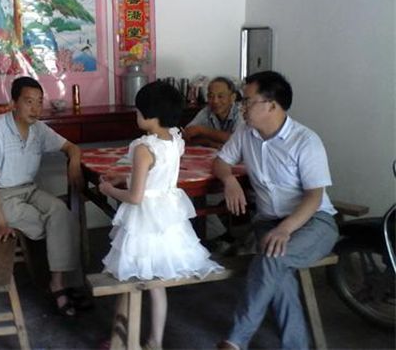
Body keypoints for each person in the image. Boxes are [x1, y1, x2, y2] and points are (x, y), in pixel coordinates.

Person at [213, 71, 338, 350]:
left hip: (313, 222)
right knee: (277, 271)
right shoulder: (245, 133)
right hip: (268, 223)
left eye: (247, 101)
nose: (241, 107)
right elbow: (220, 161)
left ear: (271, 105)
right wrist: (229, 179)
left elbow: (314, 197)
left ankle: (235, 340)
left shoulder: (305, 141)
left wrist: (285, 229)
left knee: (271, 258)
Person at [99, 81, 224, 350]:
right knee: (157, 285)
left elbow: (136, 197)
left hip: (143, 222)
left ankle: (123, 341)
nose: (136, 115)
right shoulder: (175, 140)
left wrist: (109, 189)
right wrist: (124, 177)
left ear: (150, 115)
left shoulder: (143, 148)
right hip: (168, 221)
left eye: (138, 110)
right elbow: (157, 177)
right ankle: (154, 341)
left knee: (129, 278)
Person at [0, 76, 86, 317]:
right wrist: (0, 222)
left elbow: (71, 147)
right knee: (50, 224)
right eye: (28, 102)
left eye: (39, 102)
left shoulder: (39, 129)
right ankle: (59, 285)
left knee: (61, 213)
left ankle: (62, 282)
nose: (35, 108)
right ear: (13, 103)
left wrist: (74, 161)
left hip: (28, 190)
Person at [183, 76, 243, 149]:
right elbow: (187, 134)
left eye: (220, 96)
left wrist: (202, 130)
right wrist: (209, 143)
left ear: (233, 98)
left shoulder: (240, 113)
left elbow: (238, 140)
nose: (215, 101)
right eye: (211, 96)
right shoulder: (207, 111)